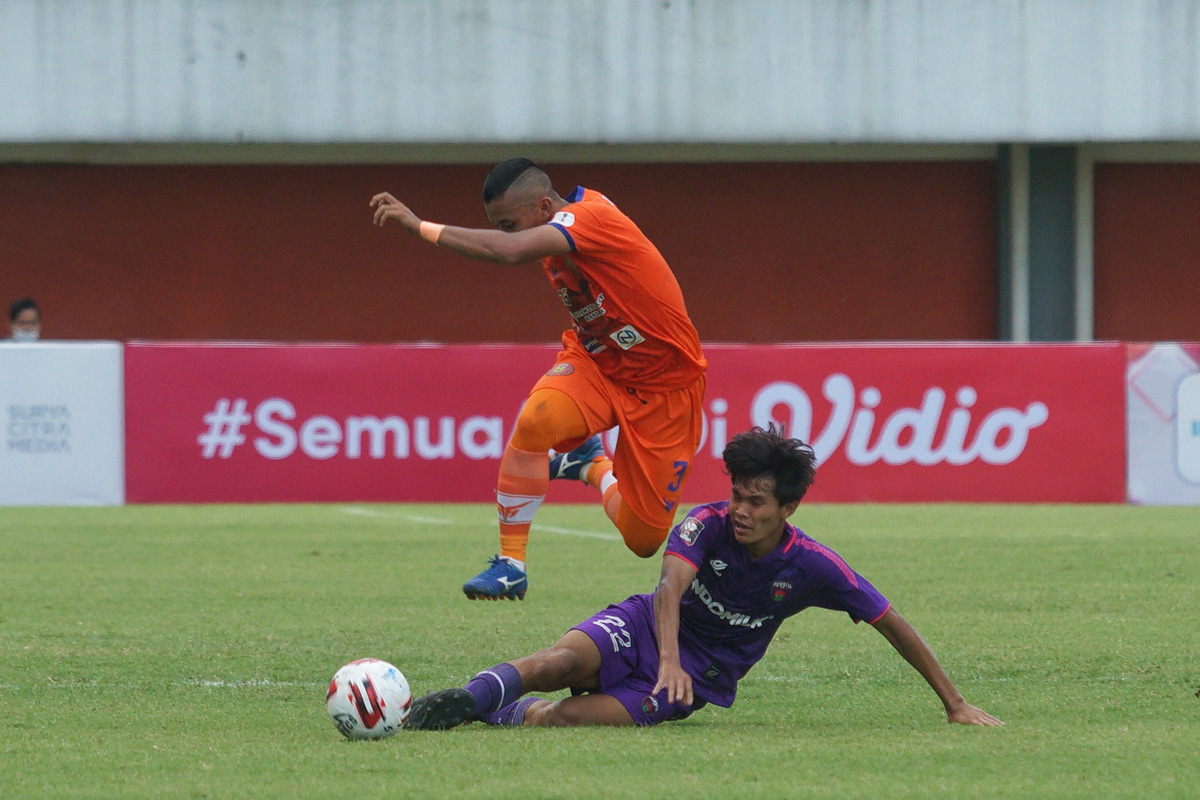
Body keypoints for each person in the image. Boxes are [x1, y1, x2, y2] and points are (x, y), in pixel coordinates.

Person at [403, 427, 1004, 730]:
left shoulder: (815, 567)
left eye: (758, 503)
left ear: (788, 510)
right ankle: (461, 701)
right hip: (647, 629)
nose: (742, 510)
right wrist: (666, 657)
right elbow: (669, 587)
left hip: (698, 678)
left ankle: (508, 713)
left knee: (565, 721)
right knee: (556, 662)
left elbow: (890, 621)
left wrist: (954, 704)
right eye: (738, 495)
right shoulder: (706, 524)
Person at [372, 159, 707, 601]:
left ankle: (591, 467)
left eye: (510, 223)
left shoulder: (591, 218)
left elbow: (506, 252)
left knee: (642, 540)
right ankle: (511, 566)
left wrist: (419, 226)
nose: (509, 234)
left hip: (665, 387)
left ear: (546, 205)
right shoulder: (557, 230)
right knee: (536, 421)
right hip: (598, 361)